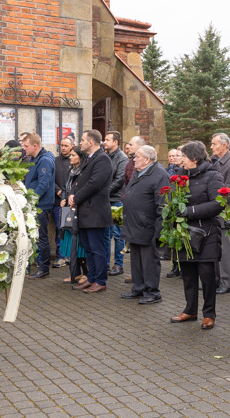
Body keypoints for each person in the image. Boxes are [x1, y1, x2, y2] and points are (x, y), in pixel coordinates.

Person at [171, 141, 224, 330]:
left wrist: (188, 211)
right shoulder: (181, 175)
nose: (181, 160)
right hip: (185, 232)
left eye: (184, 156)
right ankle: (190, 310)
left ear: (194, 158)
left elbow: (218, 204)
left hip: (206, 233)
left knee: (207, 276)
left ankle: (209, 314)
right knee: (188, 274)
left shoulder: (213, 175)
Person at [120, 144, 169, 304]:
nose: (134, 159)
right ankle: (138, 288)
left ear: (147, 159)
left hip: (148, 226)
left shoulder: (159, 175)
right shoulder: (139, 172)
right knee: (136, 260)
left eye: (137, 157)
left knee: (149, 262)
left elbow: (163, 205)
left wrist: (159, 230)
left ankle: (152, 292)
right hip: (134, 225)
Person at [69, 130, 112, 293]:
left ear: (91, 142)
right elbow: (79, 180)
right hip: (85, 211)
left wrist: (77, 197)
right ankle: (92, 278)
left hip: (95, 212)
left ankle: (100, 281)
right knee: (88, 248)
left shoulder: (103, 159)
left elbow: (95, 183)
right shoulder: (90, 159)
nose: (80, 143)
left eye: (82, 140)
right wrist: (72, 193)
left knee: (96, 248)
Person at [21, 133, 56, 279]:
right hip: (36, 203)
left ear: (35, 146)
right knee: (35, 236)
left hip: (40, 204)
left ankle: (43, 268)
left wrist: (30, 200)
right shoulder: (36, 159)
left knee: (41, 236)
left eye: (26, 146)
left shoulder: (45, 160)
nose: (23, 149)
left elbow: (43, 184)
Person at [210, 133, 230, 294]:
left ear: (224, 145)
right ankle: (216, 279)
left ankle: (226, 282)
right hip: (214, 214)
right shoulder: (215, 163)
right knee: (214, 249)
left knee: (225, 250)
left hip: (223, 214)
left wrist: (210, 200)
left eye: (214, 144)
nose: (211, 146)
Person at [59, 146, 88, 285]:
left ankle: (86, 273)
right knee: (70, 244)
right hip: (68, 210)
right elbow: (66, 187)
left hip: (79, 210)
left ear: (81, 158)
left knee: (80, 245)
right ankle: (75, 273)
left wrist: (74, 199)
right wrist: (64, 198)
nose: (70, 158)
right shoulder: (71, 170)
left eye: (73, 155)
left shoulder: (84, 171)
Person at [104, 131, 127, 277]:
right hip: (105, 201)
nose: (104, 142)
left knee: (117, 234)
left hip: (116, 201)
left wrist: (104, 192)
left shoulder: (122, 158)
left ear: (115, 142)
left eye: (107, 140)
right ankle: (105, 263)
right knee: (106, 234)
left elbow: (119, 180)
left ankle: (118, 264)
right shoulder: (105, 156)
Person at [52, 136, 75, 267]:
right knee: (59, 228)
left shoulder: (74, 160)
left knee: (71, 229)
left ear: (72, 146)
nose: (63, 148)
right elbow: (50, 178)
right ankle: (60, 256)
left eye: (66, 145)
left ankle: (70, 255)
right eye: (61, 145)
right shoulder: (55, 161)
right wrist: (58, 190)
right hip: (58, 201)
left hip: (71, 201)